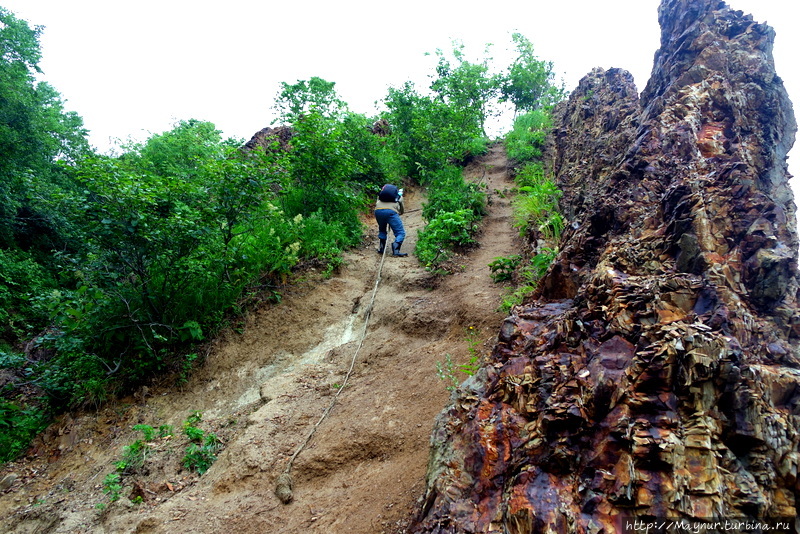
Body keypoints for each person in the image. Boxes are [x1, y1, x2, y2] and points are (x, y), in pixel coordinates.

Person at [374, 184, 408, 257]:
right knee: (400, 233)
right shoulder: (399, 197)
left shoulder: (380, 196)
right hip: (391, 213)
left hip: (378, 211)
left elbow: (377, 204)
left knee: (382, 230)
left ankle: (382, 248)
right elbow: (401, 211)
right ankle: (396, 250)